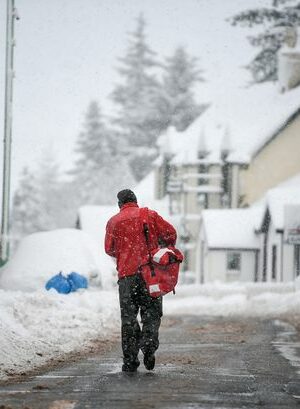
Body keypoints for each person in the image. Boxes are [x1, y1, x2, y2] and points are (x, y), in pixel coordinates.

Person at [105, 189, 177, 372]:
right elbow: (171, 234)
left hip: (126, 278)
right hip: (150, 275)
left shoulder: (114, 222)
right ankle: (149, 347)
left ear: (120, 204)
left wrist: (125, 254)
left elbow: (109, 249)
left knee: (128, 319)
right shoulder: (150, 215)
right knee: (151, 315)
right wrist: (157, 247)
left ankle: (130, 360)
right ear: (135, 201)